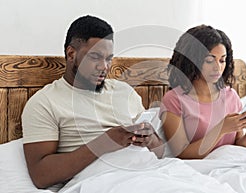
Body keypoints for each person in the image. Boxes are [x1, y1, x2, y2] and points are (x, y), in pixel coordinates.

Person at [21, 15, 163, 191]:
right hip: (103, 182)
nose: (104, 66)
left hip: (149, 173)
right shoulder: (45, 102)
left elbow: (160, 153)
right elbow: (40, 176)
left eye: (109, 58)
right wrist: (104, 142)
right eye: (95, 57)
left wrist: (150, 140)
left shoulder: (124, 92)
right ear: (71, 54)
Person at [159, 25, 246, 159]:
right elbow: (182, 154)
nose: (218, 67)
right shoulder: (174, 100)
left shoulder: (231, 96)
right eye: (209, 60)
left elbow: (238, 149)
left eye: (222, 60)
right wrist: (222, 129)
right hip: (196, 171)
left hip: (230, 167)